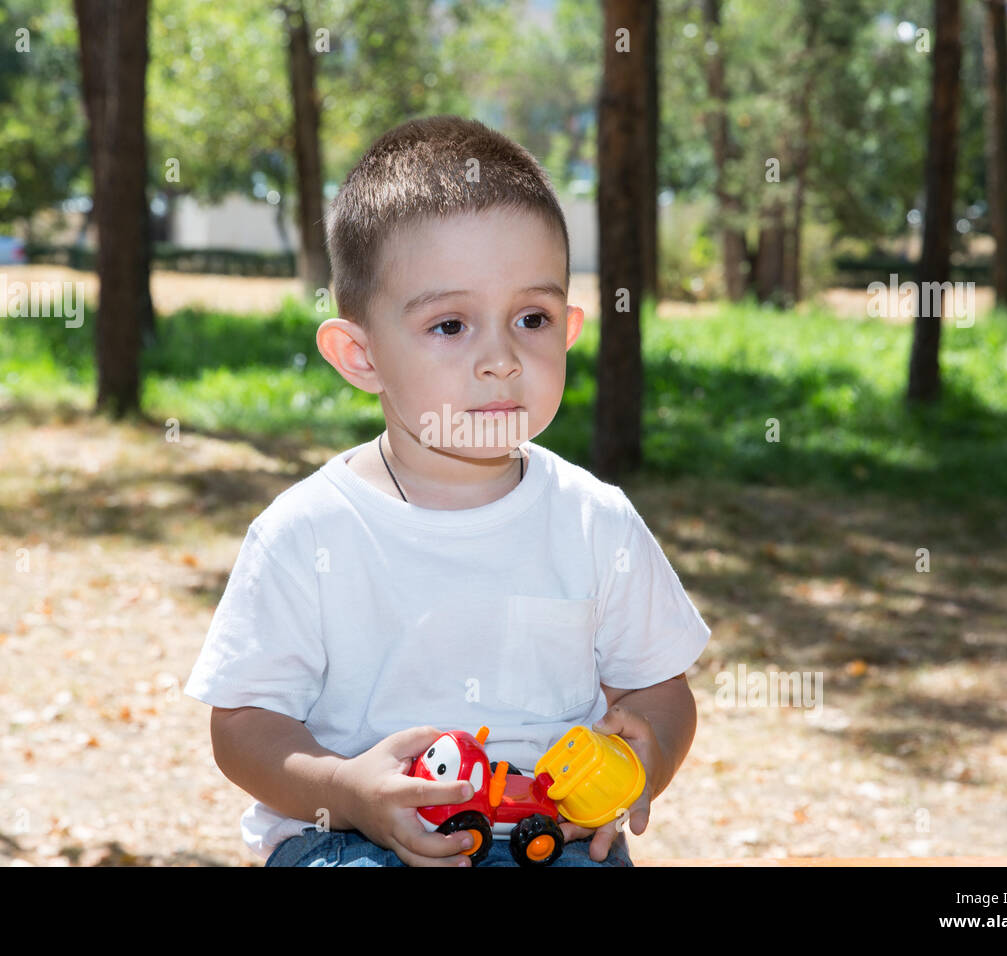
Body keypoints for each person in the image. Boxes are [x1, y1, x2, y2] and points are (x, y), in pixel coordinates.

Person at [184, 115, 712, 867]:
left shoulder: (596, 522)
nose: (500, 358)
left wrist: (646, 759)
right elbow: (243, 726)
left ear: (569, 329)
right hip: (352, 840)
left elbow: (659, 691)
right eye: (450, 325)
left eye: (532, 318)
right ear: (360, 355)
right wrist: (347, 788)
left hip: (551, 838)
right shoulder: (308, 532)